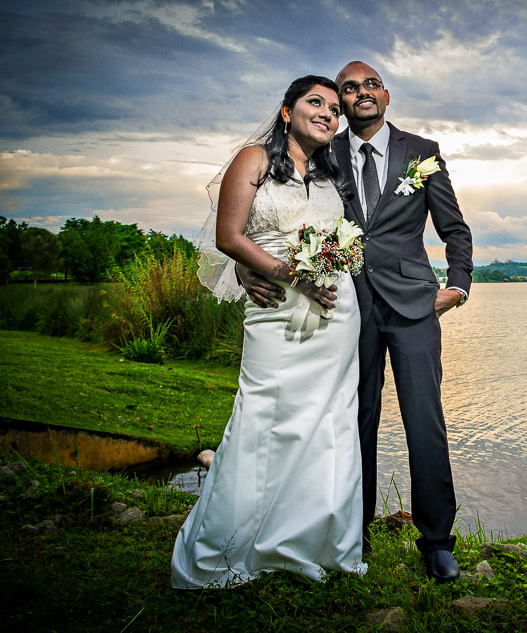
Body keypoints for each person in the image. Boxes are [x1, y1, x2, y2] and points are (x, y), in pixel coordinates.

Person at [240, 61, 473, 583]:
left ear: (386, 95)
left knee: (425, 423)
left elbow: (454, 228)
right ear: (340, 103)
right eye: (348, 88)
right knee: (353, 422)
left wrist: (458, 285)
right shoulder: (325, 153)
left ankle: (437, 541)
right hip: (346, 307)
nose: (360, 93)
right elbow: (282, 215)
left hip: (415, 308)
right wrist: (243, 265)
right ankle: (355, 531)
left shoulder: (423, 152)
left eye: (370, 85)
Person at [171, 75, 366, 588]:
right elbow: (228, 235)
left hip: (336, 313)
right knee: (260, 417)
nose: (327, 112)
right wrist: (286, 275)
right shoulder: (253, 159)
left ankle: (313, 543)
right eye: (314, 102)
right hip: (275, 306)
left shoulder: (331, 177)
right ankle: (229, 546)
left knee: (329, 423)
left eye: (333, 108)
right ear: (287, 111)